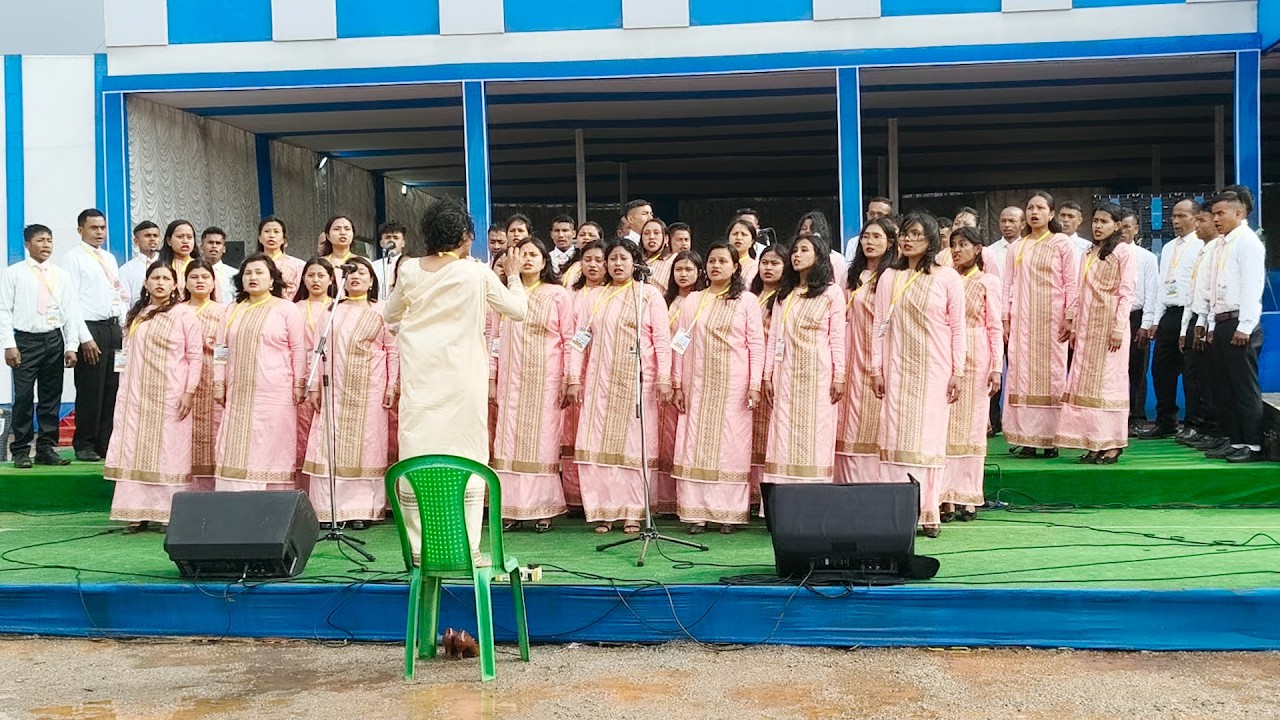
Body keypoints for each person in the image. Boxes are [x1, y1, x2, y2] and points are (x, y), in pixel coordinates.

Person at [386, 197, 526, 564]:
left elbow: (389, 313)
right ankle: (468, 548)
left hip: (421, 377)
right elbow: (519, 310)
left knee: (417, 452)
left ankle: (420, 548)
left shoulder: (410, 270)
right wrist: (513, 274)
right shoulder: (476, 272)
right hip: (464, 379)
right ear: (465, 236)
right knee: (467, 455)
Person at [566, 238, 672, 534]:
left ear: (635, 262)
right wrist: (574, 377)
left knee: (633, 448)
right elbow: (579, 340)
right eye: (612, 259)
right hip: (600, 386)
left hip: (638, 384)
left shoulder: (648, 295)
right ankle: (604, 512)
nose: (616, 264)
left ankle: (632, 513)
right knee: (597, 448)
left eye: (623, 258)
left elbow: (662, 340)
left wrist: (665, 378)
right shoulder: (595, 297)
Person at [869, 214, 965, 537]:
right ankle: (896, 511)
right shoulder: (888, 277)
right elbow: (878, 327)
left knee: (929, 440)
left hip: (935, 370)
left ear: (931, 240)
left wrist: (958, 371)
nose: (908, 240)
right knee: (896, 437)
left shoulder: (947, 277)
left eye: (916, 234)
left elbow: (957, 328)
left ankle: (929, 511)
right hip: (897, 370)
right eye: (905, 234)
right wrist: (876, 368)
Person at [670, 241, 764, 533]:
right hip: (697, 385)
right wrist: (676, 383)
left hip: (734, 385)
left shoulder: (746, 300)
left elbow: (755, 344)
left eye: (723, 261)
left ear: (736, 267)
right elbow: (679, 344)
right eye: (711, 261)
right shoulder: (693, 300)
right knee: (694, 445)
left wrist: (754, 383)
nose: (715, 266)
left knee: (730, 446)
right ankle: (696, 512)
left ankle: (728, 514)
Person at [302, 257, 398, 529]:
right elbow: (316, 350)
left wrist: (392, 385)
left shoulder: (382, 310)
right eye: (350, 272)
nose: (355, 276)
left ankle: (362, 510)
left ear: (371, 281)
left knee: (367, 446)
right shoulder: (331, 310)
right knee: (329, 446)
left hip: (370, 389)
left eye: (362, 272)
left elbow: (392, 350)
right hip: (334, 390)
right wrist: (315, 386)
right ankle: (329, 509)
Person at [105, 261, 202, 532]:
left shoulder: (184, 315)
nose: (160, 282)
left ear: (174, 284)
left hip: (171, 394)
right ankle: (135, 512)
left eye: (165, 278)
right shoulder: (136, 316)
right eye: (154, 278)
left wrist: (189, 391)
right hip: (136, 396)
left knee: (169, 451)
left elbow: (195, 357)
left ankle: (165, 513)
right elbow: (125, 355)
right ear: (146, 284)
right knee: (134, 450)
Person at [490, 239, 573, 532]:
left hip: (546, 381)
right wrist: (491, 377)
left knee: (542, 443)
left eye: (533, 254)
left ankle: (542, 509)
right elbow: (494, 340)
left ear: (544, 260)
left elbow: (569, 338)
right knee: (509, 441)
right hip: (511, 382)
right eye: (522, 254)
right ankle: (511, 508)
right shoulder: (503, 295)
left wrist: (570, 378)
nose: (527, 259)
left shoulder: (558, 294)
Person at [213, 254, 307, 492]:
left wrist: (299, 383)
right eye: (247, 273)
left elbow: (298, 348)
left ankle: (273, 501)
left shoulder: (286, 309)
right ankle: (235, 497)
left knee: (273, 444)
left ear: (272, 279)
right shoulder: (231, 310)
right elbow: (220, 349)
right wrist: (218, 382)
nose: (253, 277)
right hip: (239, 392)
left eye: (259, 272)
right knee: (236, 445)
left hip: (276, 392)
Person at [1055, 203, 1136, 464]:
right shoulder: (1088, 252)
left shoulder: (1124, 252)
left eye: (1104, 221)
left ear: (1117, 225)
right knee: (1085, 384)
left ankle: (1112, 444)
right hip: (1089, 329)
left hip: (1111, 327)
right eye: (1095, 221)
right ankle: (1093, 441)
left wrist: (1118, 327)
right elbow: (1080, 293)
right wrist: (1071, 321)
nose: (1098, 226)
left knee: (1108, 385)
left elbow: (1126, 293)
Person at [762, 234, 846, 485]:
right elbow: (775, 336)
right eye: (795, 250)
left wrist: (839, 376)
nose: (796, 255)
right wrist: (767, 376)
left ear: (819, 256)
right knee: (783, 434)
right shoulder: (784, 294)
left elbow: (837, 338)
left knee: (816, 433)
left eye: (804, 250)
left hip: (818, 376)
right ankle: (782, 496)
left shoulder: (832, 293)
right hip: (786, 374)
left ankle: (813, 496)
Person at [0, 225, 83, 468]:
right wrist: (9, 344)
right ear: (28, 245)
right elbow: (4, 310)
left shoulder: (61, 275)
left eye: (49, 240)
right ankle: (21, 450)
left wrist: (72, 345)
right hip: (25, 340)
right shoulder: (13, 273)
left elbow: (70, 311)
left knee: (51, 396)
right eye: (40, 240)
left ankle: (47, 448)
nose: (46, 245)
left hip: (54, 340)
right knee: (24, 397)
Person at [1002, 191, 1077, 459]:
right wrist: (1005, 319)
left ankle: (1050, 439)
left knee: (1052, 376)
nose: (1035, 212)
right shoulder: (1016, 247)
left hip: (1052, 321)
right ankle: (1027, 438)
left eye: (1040, 208)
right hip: (1022, 322)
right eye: (1030, 208)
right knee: (1021, 378)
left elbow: (1071, 282)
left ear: (1052, 214)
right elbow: (1007, 285)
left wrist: (1070, 317)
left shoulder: (1062, 243)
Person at [1194, 190, 1266, 463]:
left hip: (1240, 322)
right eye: (1214, 214)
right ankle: (1235, 440)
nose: (1216, 219)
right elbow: (1214, 288)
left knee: (1243, 386)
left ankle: (1253, 444)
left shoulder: (1247, 243)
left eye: (1221, 213)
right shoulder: (1222, 244)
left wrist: (1246, 325)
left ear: (1240, 213)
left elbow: (1251, 286)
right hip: (1222, 321)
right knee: (1223, 385)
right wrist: (1209, 322)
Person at [941, 227, 1002, 521]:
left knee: (974, 427)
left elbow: (995, 327)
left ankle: (968, 496)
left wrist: (996, 367)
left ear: (978, 249)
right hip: (948, 353)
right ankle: (946, 496)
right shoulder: (945, 279)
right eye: (953, 245)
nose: (956, 250)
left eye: (963, 244)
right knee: (947, 426)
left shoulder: (988, 281)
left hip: (978, 354)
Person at [61, 208, 128, 462]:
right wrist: (84, 338)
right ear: (81, 230)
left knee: (112, 387)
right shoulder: (73, 258)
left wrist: (123, 326)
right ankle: (84, 443)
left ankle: (104, 442)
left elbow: (117, 294)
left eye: (102, 227)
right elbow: (71, 302)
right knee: (91, 389)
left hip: (113, 329)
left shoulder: (109, 258)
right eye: (93, 228)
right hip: (90, 329)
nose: (99, 232)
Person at [835, 218, 898, 485]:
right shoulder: (849, 276)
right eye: (865, 237)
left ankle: (873, 482)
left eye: (876, 237)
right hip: (848, 349)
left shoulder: (892, 276)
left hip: (876, 348)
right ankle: (844, 481)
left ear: (890, 243)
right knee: (845, 416)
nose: (869, 242)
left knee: (872, 415)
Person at [1139, 200, 1206, 439]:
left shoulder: (1202, 245)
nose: (1176, 221)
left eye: (1182, 216)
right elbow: (1160, 286)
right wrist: (1155, 320)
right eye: (1174, 216)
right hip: (1169, 314)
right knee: (1160, 369)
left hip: (1192, 314)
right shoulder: (1167, 248)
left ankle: (1194, 423)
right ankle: (1166, 420)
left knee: (1191, 372)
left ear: (1196, 217)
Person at [658, 250, 707, 515]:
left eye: (689, 269)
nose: (683, 274)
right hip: (663, 373)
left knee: (679, 437)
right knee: (661, 438)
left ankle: (680, 498)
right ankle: (661, 498)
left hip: (689, 375)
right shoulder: (664, 302)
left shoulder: (703, 301)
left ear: (700, 272)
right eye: (679, 270)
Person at [562, 239, 607, 510]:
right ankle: (573, 495)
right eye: (588, 259)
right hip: (573, 367)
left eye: (599, 260)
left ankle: (596, 496)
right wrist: (571, 374)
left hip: (601, 371)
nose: (593, 265)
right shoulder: (570, 294)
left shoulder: (612, 294)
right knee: (571, 430)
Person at [1177, 207, 1221, 449]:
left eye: (1201, 220)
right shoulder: (1203, 250)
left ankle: (1213, 429)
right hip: (1196, 318)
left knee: (1209, 378)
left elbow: (1214, 293)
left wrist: (1209, 324)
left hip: (1210, 319)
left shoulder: (1218, 251)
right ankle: (1199, 426)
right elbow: (1192, 294)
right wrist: (1185, 329)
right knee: (1193, 376)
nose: (1197, 225)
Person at [747, 244, 787, 503]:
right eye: (764, 263)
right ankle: (750, 493)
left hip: (773, 373)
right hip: (749, 370)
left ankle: (767, 495)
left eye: (774, 263)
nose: (768, 268)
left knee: (770, 433)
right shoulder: (749, 297)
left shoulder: (786, 298)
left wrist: (769, 372)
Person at [182, 260, 226, 491]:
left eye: (205, 277)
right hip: (182, 378)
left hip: (212, 377)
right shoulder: (176, 311)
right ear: (185, 282)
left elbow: (227, 348)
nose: (199, 281)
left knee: (215, 429)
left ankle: (214, 488)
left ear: (213, 282)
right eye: (194, 277)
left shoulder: (224, 311)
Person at [293, 257, 337, 484]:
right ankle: (302, 487)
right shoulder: (294, 308)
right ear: (303, 279)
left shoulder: (338, 306)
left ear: (331, 279)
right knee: (301, 431)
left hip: (331, 372)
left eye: (321, 275)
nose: (316, 280)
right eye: (311, 275)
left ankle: (326, 485)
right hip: (301, 372)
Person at [1118, 209, 1160, 435]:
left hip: (1136, 317)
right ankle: (1115, 416)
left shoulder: (1146, 258)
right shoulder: (1106, 256)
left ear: (1136, 229)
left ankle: (1136, 416)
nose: (1123, 231)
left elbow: (1152, 292)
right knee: (1113, 371)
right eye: (1120, 226)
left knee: (1137, 369)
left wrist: (1146, 324)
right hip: (1112, 317)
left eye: (1128, 227)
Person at [793, 210, 850, 290]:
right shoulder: (793, 256)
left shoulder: (836, 259)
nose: (807, 231)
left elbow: (842, 287)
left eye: (813, 228)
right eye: (804, 228)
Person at [257, 216, 305, 300]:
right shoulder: (251, 264)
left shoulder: (298, 265)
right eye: (267, 231)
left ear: (284, 239)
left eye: (276, 232)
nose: (271, 235)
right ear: (260, 238)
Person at [119, 221, 161, 303]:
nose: (152, 239)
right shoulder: (126, 270)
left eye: (155, 236)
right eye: (147, 236)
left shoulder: (168, 263)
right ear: (136, 241)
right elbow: (124, 301)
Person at [157, 219, 201, 293]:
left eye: (189, 237)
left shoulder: (202, 267)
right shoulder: (158, 267)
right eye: (180, 237)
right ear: (169, 241)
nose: (185, 241)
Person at [200, 227, 238, 303]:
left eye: (218, 243)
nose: (214, 246)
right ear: (201, 247)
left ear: (224, 249)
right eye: (210, 242)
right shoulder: (193, 273)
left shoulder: (235, 274)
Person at [373, 220, 407, 298]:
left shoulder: (409, 264)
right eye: (388, 237)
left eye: (396, 238)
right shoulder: (374, 265)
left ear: (403, 243)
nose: (392, 241)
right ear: (381, 243)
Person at [320, 215, 358, 283]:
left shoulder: (362, 263)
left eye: (347, 229)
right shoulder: (320, 263)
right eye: (336, 229)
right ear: (328, 236)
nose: (342, 233)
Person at [640, 218, 673, 294]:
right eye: (646, 233)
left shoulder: (674, 261)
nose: (651, 237)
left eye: (656, 233)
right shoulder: (636, 262)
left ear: (666, 239)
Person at [728, 218, 760, 286]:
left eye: (744, 234)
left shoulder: (755, 267)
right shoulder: (720, 263)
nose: (739, 237)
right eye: (735, 234)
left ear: (752, 241)